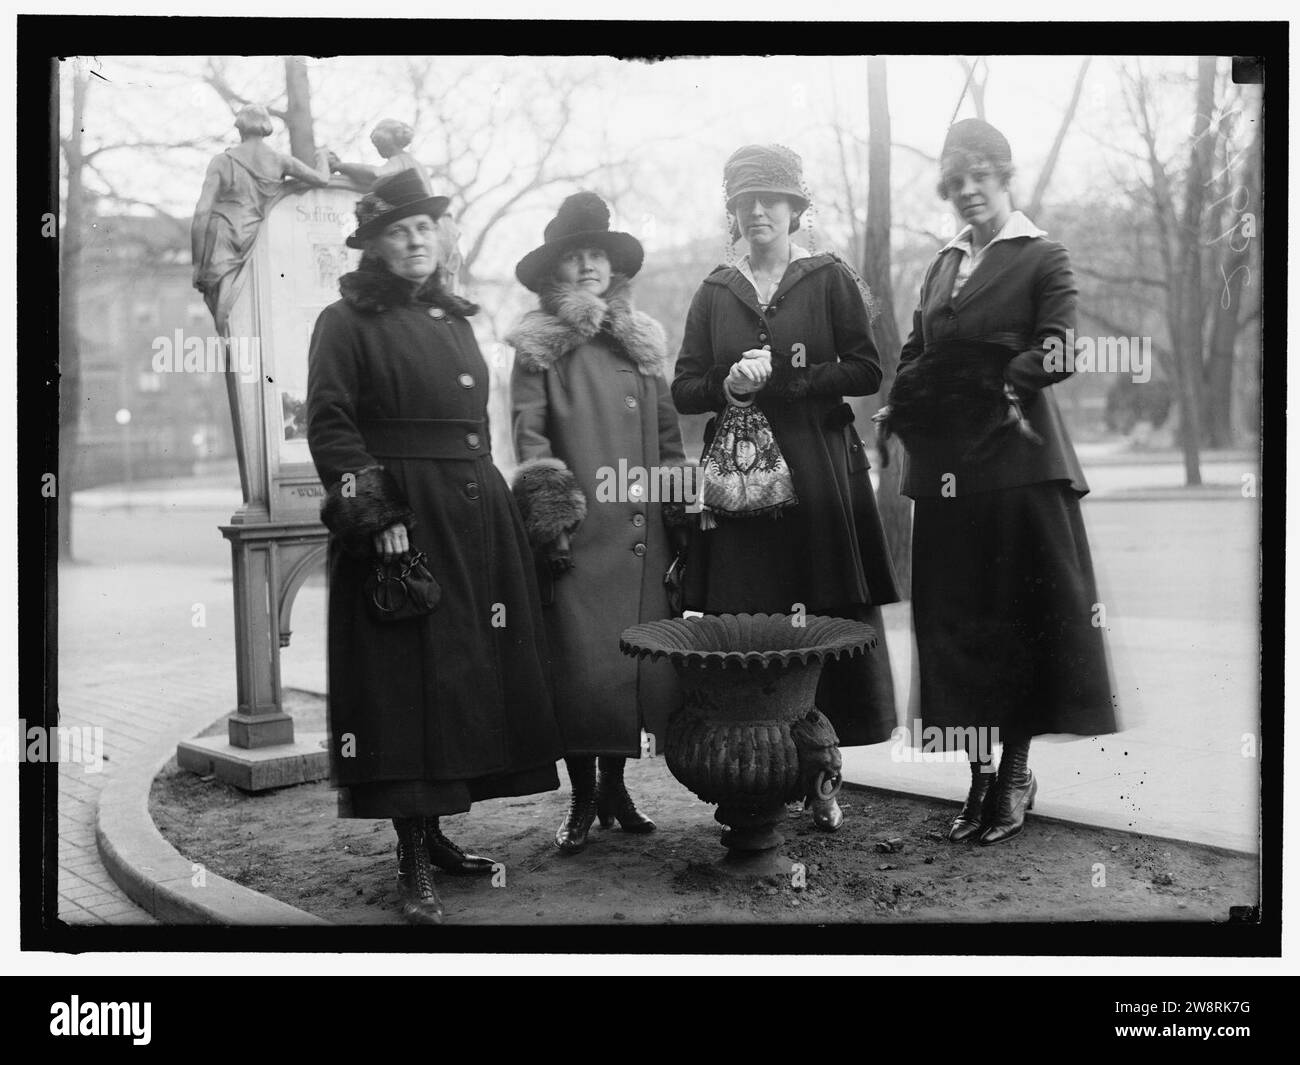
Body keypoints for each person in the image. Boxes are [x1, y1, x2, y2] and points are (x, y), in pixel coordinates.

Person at [306, 169, 564, 923]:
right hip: (402, 518)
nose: (416, 239)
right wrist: (374, 509)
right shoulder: (344, 320)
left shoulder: (454, 317)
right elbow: (330, 424)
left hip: (473, 515)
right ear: (376, 245)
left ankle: (441, 834)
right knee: (404, 681)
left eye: (426, 226)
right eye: (399, 230)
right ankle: (410, 854)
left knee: (458, 678)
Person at [887, 118, 1118, 846]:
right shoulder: (941, 265)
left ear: (1003, 177)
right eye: (953, 184)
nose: (965, 193)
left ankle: (1014, 774)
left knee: (1016, 623)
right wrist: (904, 399)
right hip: (949, 474)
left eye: (977, 178)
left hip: (1018, 469)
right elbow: (916, 348)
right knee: (957, 629)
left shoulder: (1043, 255)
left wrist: (987, 379)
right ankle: (978, 779)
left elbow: (1058, 349)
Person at [672, 144, 900, 832]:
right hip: (740, 496)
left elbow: (867, 370)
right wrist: (727, 384)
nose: (759, 212)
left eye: (772, 200)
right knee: (751, 622)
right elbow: (684, 386)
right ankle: (750, 776)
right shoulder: (717, 289)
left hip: (820, 476)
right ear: (734, 213)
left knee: (822, 617)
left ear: (795, 209)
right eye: (746, 203)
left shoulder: (827, 278)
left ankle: (822, 772)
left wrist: (794, 381)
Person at [508, 192, 688, 853]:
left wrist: (679, 507)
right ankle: (583, 795)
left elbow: (668, 435)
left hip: (641, 532)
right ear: (556, 271)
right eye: (575, 257)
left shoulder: (642, 342)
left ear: (613, 268)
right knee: (580, 670)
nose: (588, 267)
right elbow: (529, 436)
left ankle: (615, 786)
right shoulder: (539, 348)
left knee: (628, 670)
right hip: (581, 536)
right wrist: (550, 518)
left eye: (598, 256)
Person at [192, 104, 333, 332]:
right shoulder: (280, 161)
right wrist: (322, 157)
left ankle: (233, 363)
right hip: (254, 236)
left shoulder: (222, 161)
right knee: (249, 309)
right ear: (265, 127)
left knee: (224, 315)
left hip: (223, 236)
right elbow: (322, 179)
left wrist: (198, 263)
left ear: (240, 128)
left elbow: (201, 213)